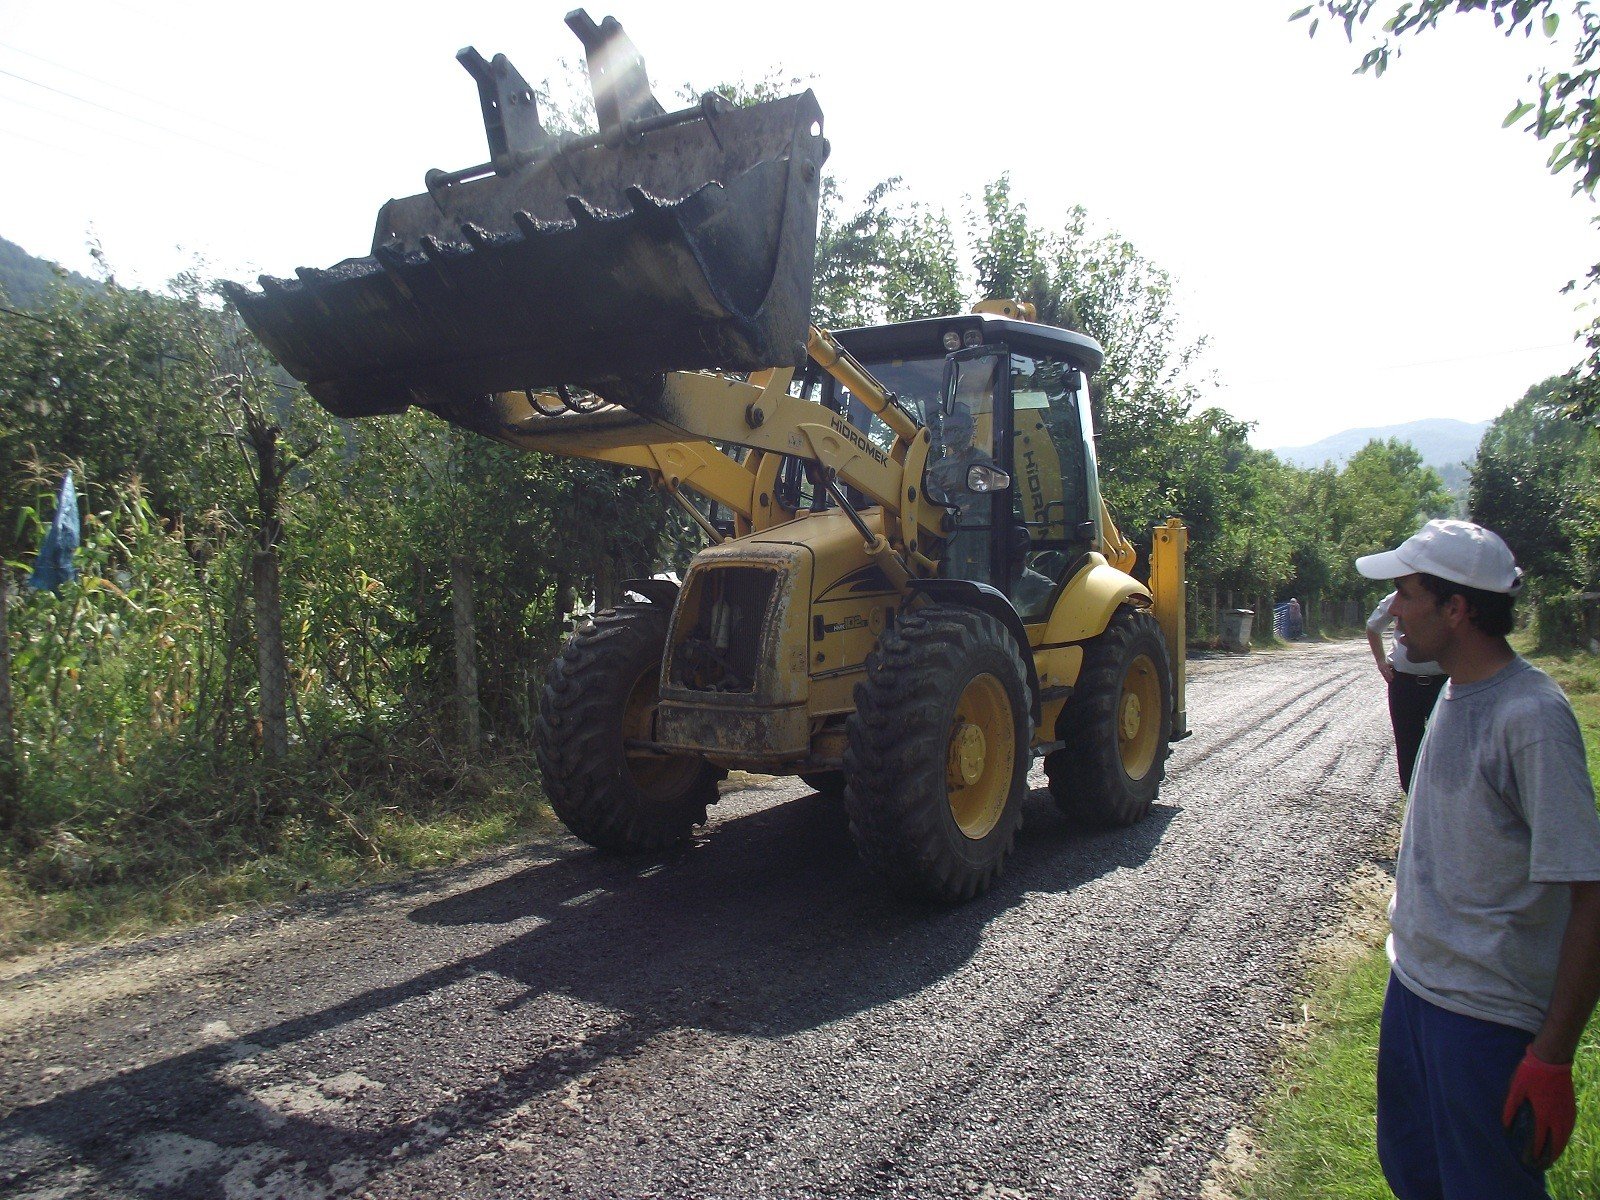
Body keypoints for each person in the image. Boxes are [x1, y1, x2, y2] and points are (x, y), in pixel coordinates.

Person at [1355, 518, 1600, 1200]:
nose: (1394, 611)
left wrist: (1550, 1058)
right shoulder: (1453, 689)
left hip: (1483, 1023)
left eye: (1406, 594)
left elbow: (1591, 894)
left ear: (1457, 608)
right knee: (1418, 1177)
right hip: (1417, 993)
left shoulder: (1532, 717)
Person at [1367, 588, 1446, 791]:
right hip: (1404, 683)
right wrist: (1380, 661)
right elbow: (1373, 626)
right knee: (1407, 744)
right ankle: (1412, 796)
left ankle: (1442, 796)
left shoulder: (1447, 593)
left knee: (1446, 743)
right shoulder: (1397, 597)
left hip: (1443, 682)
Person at [927, 402, 994, 581]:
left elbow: (984, 499)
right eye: (946, 429)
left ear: (967, 431)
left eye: (953, 429)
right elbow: (932, 495)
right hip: (945, 520)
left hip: (975, 525)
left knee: (957, 534)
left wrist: (959, 510)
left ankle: (958, 582)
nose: (947, 434)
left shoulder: (982, 461)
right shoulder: (940, 467)